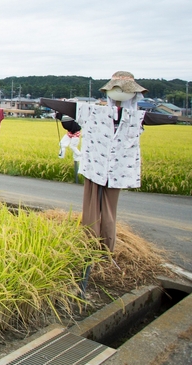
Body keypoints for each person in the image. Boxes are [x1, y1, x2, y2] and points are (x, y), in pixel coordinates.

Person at [41, 72, 176, 251]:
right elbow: (165, 119)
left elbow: (69, 108)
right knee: (107, 210)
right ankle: (102, 248)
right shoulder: (131, 116)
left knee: (93, 208)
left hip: (103, 166)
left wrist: (45, 102)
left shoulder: (100, 112)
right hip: (108, 168)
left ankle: (92, 247)